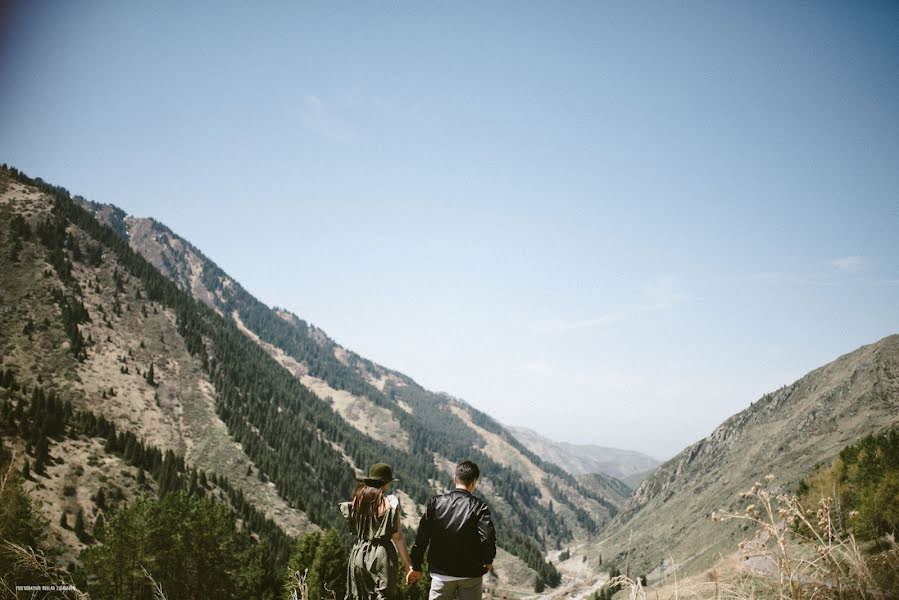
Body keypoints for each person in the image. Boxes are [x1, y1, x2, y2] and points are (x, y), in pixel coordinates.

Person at [407, 460, 496, 600]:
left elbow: (422, 537)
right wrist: (488, 560)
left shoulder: (436, 503)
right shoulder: (479, 507)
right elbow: (487, 538)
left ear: (455, 478)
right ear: (474, 482)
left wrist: (416, 566)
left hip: (441, 574)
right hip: (471, 574)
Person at [339, 463, 415, 600]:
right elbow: (397, 537)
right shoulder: (390, 503)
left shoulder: (357, 501)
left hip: (358, 553)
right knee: (383, 596)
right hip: (382, 554)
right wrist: (408, 565)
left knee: (358, 596)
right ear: (385, 483)